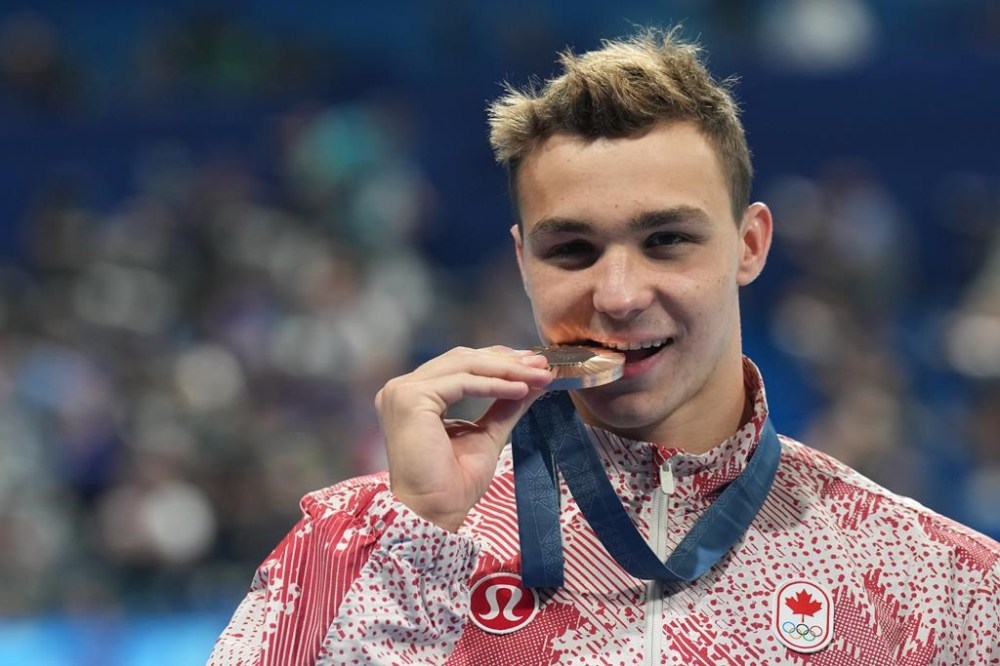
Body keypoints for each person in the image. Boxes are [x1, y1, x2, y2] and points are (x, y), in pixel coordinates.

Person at [209, 28, 1000, 665]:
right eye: (573, 251)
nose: (618, 294)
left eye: (666, 240)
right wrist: (413, 539)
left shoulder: (936, 580)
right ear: (523, 263)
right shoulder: (354, 540)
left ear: (750, 246)